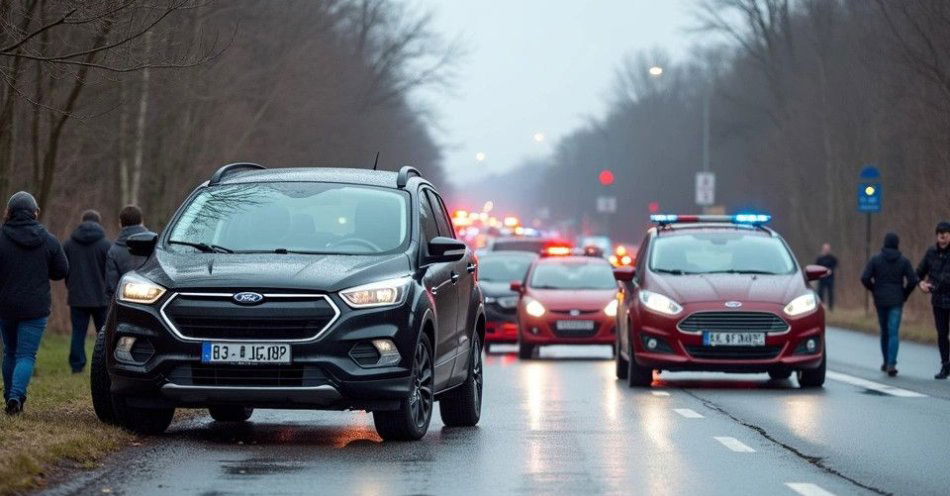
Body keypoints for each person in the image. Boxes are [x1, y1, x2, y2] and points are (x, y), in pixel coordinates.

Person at [0, 192, 69, 414]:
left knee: (10, 352)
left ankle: (10, 396)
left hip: (6, 305)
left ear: (9, 212)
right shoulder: (48, 240)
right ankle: (15, 397)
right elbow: (62, 271)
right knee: (26, 355)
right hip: (36, 307)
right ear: (34, 213)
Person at [861, 233, 917, 377]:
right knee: (893, 332)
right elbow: (912, 280)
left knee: (884, 331)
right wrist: (904, 294)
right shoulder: (903, 261)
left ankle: (886, 362)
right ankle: (892, 363)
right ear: (897, 244)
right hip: (896, 300)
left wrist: (874, 289)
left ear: (884, 243)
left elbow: (864, 278)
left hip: (880, 300)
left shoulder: (875, 259)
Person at [63, 210, 111, 373]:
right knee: (103, 334)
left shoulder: (69, 244)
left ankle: (77, 366)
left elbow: (64, 269)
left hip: (77, 296)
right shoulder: (105, 245)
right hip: (101, 297)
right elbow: (109, 272)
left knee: (78, 333)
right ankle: (104, 365)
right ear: (99, 222)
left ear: (82, 221)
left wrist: (70, 285)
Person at [917, 221, 950, 379]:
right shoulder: (931, 253)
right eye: (939, 235)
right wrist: (921, 283)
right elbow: (918, 272)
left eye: (945, 234)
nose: (942, 238)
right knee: (942, 334)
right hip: (938, 301)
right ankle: (945, 365)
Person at [105, 205, 148, 298]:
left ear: (120, 224)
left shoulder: (113, 251)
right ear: (142, 221)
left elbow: (111, 287)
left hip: (124, 304)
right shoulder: (155, 244)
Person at [815, 242, 838, 311]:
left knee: (830, 292)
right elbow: (816, 266)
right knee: (820, 292)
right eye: (825, 249)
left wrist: (831, 270)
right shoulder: (819, 258)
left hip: (830, 278)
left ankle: (831, 308)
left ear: (829, 249)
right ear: (823, 249)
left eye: (827, 249)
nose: (826, 250)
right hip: (821, 278)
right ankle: (821, 306)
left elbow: (836, 264)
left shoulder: (832, 258)